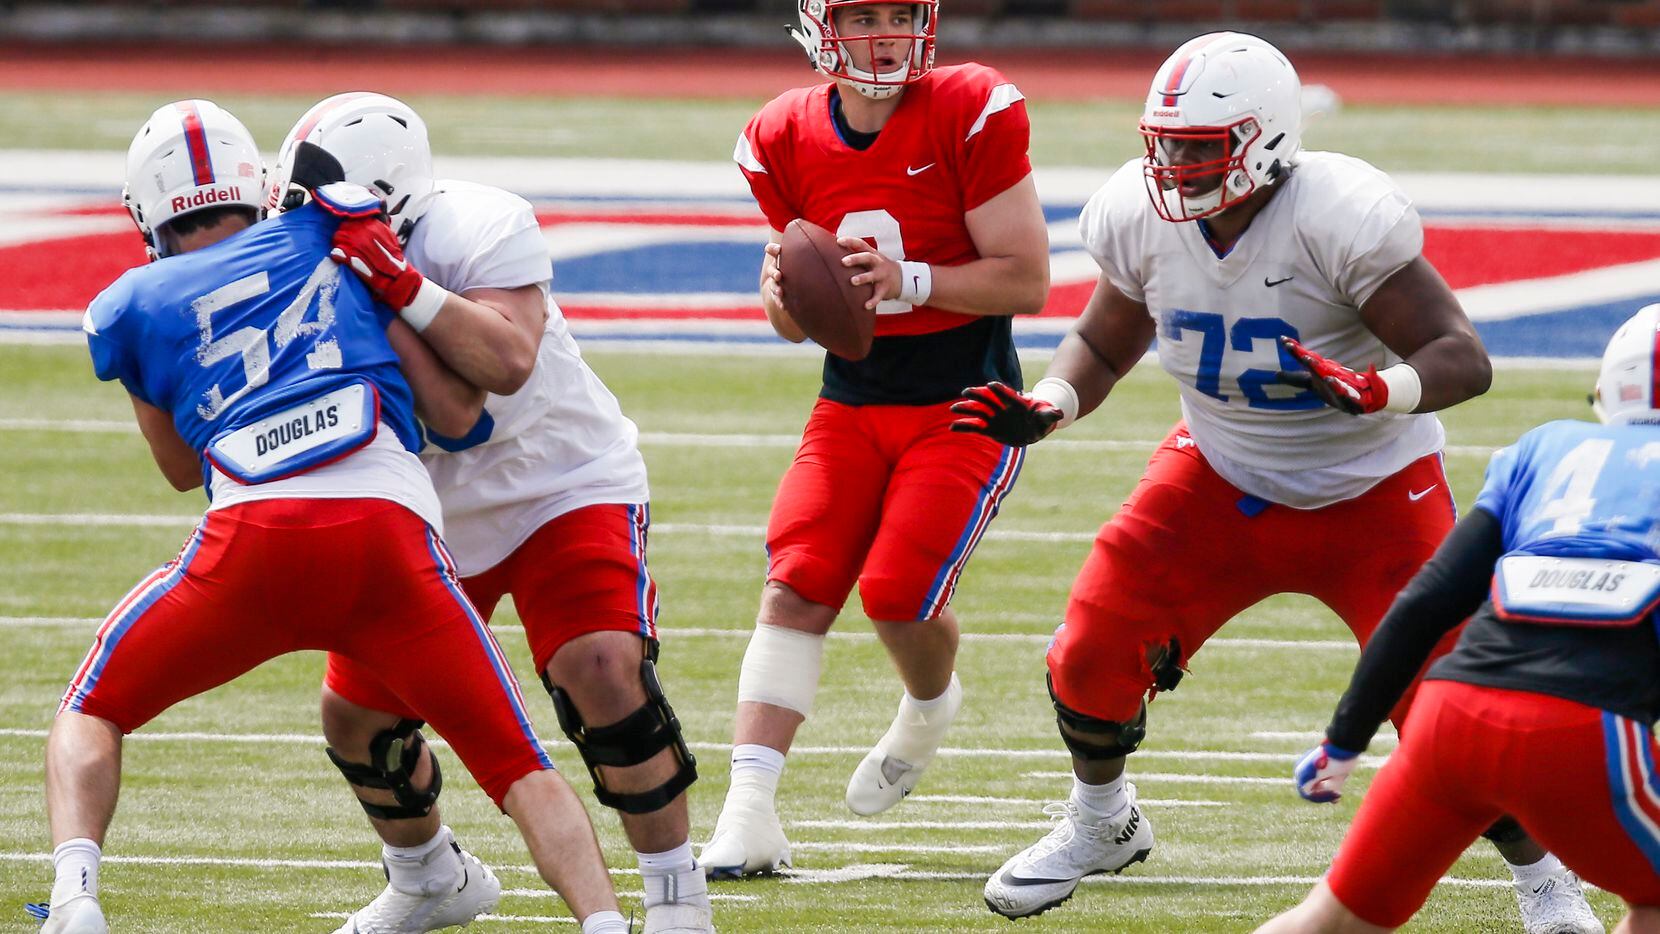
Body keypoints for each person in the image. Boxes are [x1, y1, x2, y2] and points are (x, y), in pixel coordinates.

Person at [959, 32, 1599, 932]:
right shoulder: (1138, 215)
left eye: (1197, 146)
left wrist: (1381, 389)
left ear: (1264, 141)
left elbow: (1462, 356)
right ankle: (1103, 825)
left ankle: (1543, 877)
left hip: (1375, 490)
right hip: (1221, 477)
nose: (1173, 166)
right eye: (1165, 143)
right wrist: (1053, 401)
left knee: (1450, 706)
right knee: (1091, 650)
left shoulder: (1335, 214)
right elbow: (1105, 342)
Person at [41, 100, 631, 934]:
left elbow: (179, 471)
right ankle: (604, 922)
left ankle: (74, 897)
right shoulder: (337, 234)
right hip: (388, 540)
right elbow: (461, 417)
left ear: (145, 214)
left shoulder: (129, 303)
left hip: (246, 545)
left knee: (92, 710)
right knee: (517, 763)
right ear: (260, 182)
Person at [266, 93, 711, 933]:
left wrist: (393, 281)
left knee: (604, 670)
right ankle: (430, 877)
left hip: (558, 480)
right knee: (357, 719)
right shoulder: (292, 256)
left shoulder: (481, 224)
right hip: (422, 508)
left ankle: (675, 893)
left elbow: (502, 366)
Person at [700, 0, 1050, 878]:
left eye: (902, 13)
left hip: (963, 399)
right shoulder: (781, 134)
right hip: (851, 400)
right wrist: (786, 292)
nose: (887, 33)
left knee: (897, 593)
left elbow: (1030, 277)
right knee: (798, 581)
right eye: (864, 15)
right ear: (822, 26)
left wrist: (911, 278)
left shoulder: (970, 106)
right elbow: (788, 320)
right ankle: (749, 813)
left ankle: (929, 707)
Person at [1256, 305, 1660, 934]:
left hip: (1452, 716)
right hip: (1582, 730)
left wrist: (1345, 740)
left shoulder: (1546, 448)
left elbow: (1426, 602)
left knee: (1330, 919)